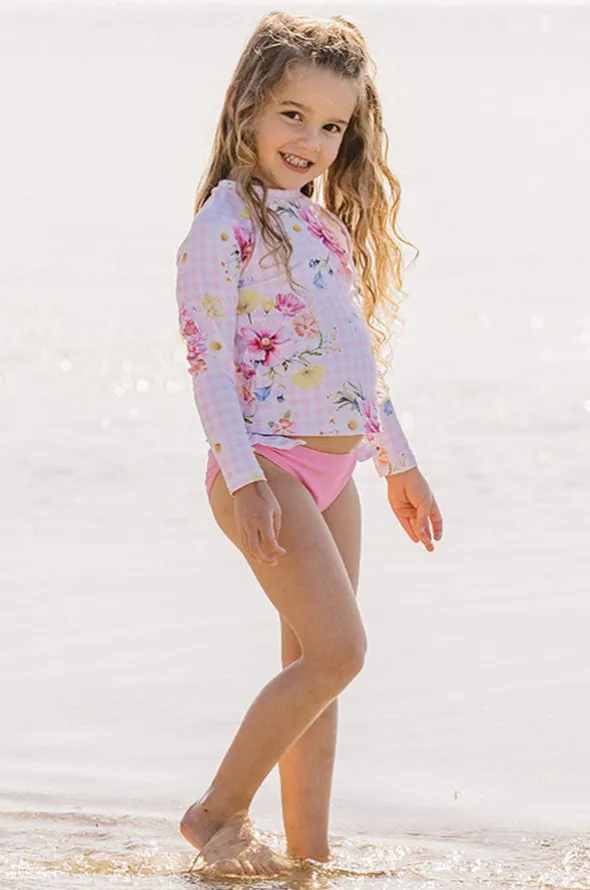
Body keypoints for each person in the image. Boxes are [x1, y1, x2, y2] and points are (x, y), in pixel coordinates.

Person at [174, 10, 443, 877]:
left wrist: (400, 464)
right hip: (267, 465)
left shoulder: (320, 228)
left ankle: (309, 857)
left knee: (316, 673)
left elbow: (357, 364)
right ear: (247, 103)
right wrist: (244, 479)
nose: (312, 140)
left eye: (331, 126)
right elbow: (209, 367)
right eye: (294, 114)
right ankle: (217, 811)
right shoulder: (222, 226)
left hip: (336, 473)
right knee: (340, 652)